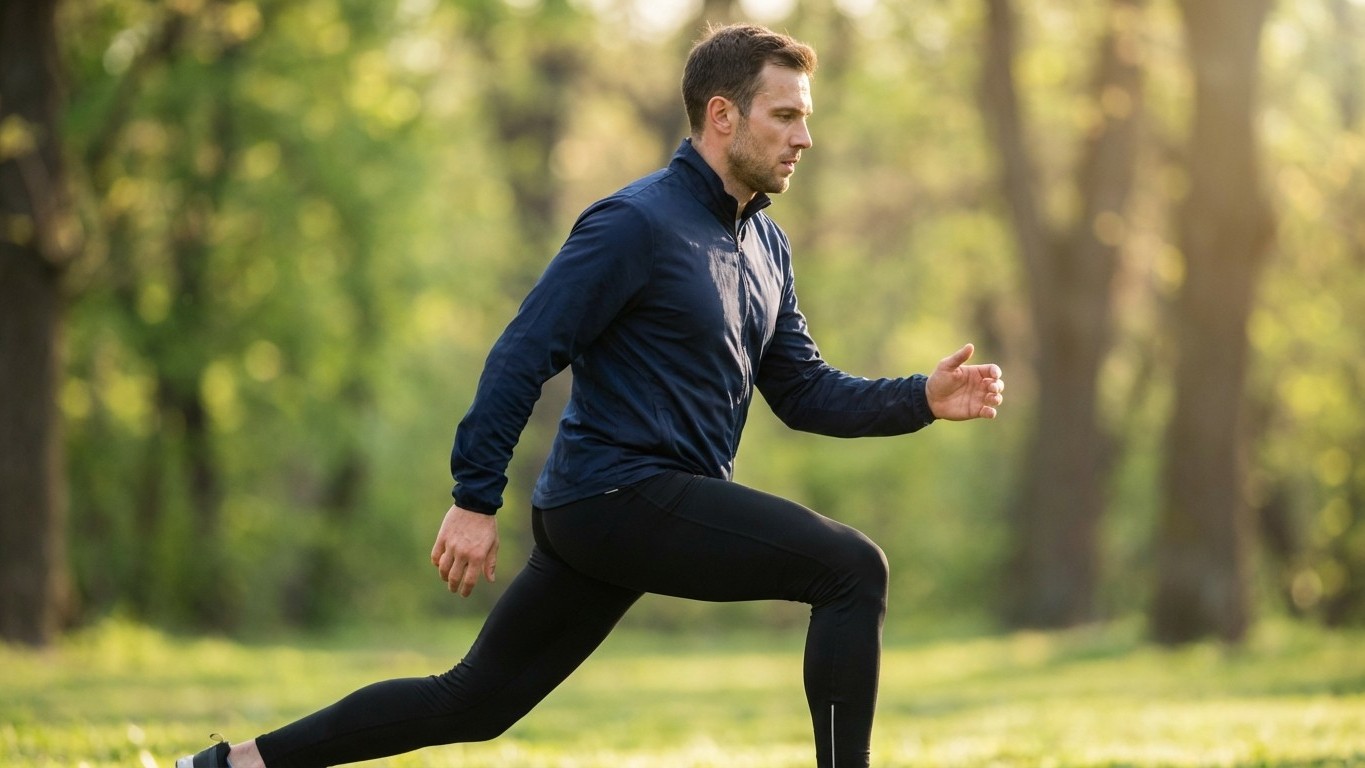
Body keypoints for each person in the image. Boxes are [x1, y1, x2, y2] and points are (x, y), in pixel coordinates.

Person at [178, 22, 1004, 768]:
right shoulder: (634, 224)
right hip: (616, 495)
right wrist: (473, 498)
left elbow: (802, 392)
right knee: (850, 568)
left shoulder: (763, 246)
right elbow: (521, 353)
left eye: (805, 116)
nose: (804, 137)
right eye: (784, 116)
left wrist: (919, 399)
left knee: (473, 701)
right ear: (722, 115)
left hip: (620, 509)